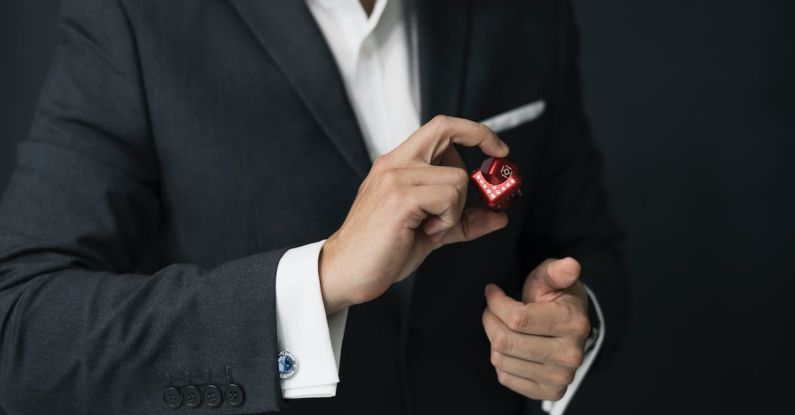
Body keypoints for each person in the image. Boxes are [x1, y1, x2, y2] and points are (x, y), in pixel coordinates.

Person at [0, 0, 628, 413]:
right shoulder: (131, 17)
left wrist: (577, 321)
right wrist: (318, 279)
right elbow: (21, 323)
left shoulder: (527, 12)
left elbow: (586, 246)